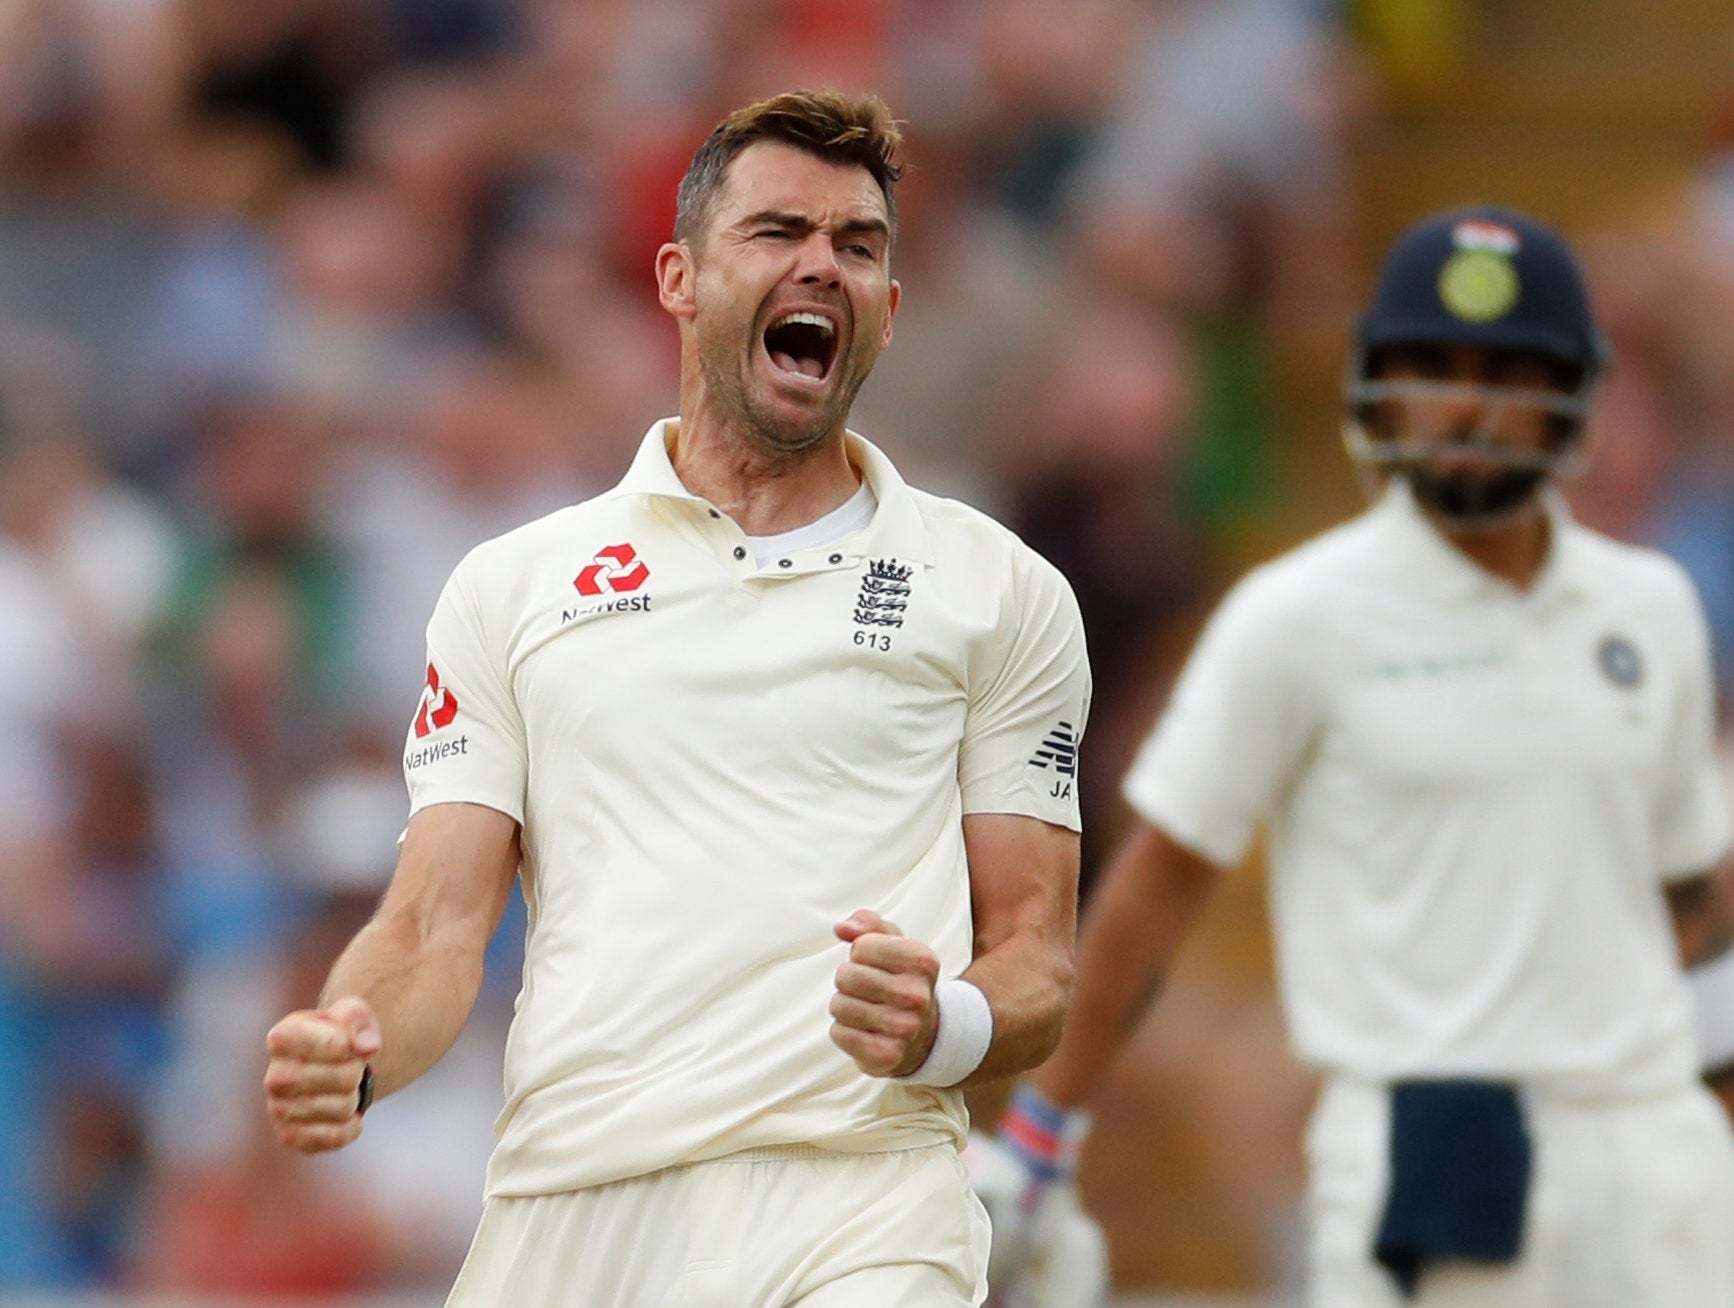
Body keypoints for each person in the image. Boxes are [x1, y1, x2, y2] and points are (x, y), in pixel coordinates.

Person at [260, 89, 1090, 1306]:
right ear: (679, 278)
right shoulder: (512, 586)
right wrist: (354, 1042)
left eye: (858, 247)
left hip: (860, 1199)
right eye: (778, 233)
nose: (823, 263)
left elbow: (1036, 958)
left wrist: (941, 1024)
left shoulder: (998, 588)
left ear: (890, 313)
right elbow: (435, 930)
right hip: (572, 1207)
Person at [979, 206, 1734, 1307]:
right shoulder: (1299, 617)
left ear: (1575, 397)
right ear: (1381, 386)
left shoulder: (1651, 612)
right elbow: (1151, 897)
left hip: (1645, 1168)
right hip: (1420, 1168)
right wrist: (1038, 1141)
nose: (1468, 404)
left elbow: (1692, 905)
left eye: (1507, 371)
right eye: (1433, 367)